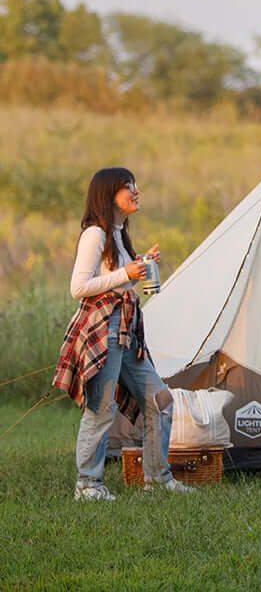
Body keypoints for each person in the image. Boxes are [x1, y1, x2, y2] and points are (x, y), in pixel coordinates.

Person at [53, 167, 195, 500]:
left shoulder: (117, 233)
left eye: (135, 185)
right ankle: (88, 485)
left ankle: (158, 480)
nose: (136, 191)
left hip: (127, 330)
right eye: (129, 186)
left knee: (159, 400)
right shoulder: (95, 234)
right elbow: (79, 287)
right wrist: (124, 273)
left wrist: (139, 265)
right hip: (104, 329)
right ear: (109, 194)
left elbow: (117, 279)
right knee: (101, 407)